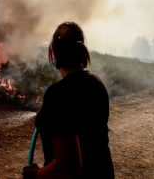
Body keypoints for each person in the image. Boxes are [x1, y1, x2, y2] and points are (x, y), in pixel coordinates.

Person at [23, 22, 115, 178]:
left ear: (52, 53)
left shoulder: (58, 94)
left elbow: (69, 167)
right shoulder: (97, 84)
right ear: (81, 50)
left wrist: (36, 174)